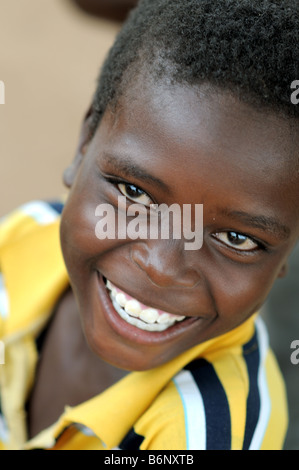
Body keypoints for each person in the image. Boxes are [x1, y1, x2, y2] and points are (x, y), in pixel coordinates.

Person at [0, 0, 298, 450]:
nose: (160, 265)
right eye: (134, 193)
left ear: (287, 256)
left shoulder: (207, 434)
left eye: (236, 238)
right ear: (83, 144)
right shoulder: (26, 238)